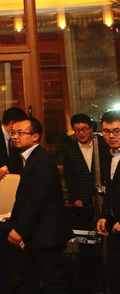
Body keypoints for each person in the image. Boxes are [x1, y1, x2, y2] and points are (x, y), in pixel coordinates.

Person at [7, 116, 70, 294]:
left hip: (46, 235)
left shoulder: (40, 160)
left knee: (53, 282)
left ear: (35, 137)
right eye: (13, 133)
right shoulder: (29, 159)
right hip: (36, 234)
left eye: (21, 133)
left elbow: (37, 200)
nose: (15, 136)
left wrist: (20, 228)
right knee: (27, 279)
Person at [63, 113, 109, 207]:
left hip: (105, 197)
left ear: (91, 129)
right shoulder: (69, 150)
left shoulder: (103, 146)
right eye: (77, 130)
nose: (81, 133)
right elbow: (69, 177)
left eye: (84, 129)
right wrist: (75, 198)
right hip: (82, 199)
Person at [97, 110, 120, 294]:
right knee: (113, 275)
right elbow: (109, 189)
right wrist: (104, 215)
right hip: (114, 225)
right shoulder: (108, 155)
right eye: (107, 131)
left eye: (117, 131)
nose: (111, 136)